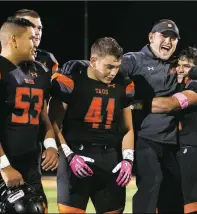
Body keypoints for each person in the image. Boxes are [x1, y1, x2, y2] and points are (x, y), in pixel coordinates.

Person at [59, 19, 184, 213]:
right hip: (142, 137)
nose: (168, 41)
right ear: (151, 37)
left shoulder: (179, 63)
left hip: (170, 140)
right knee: (152, 182)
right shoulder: (134, 60)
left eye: (173, 38)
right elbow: (106, 65)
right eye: (164, 36)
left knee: (173, 191)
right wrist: (83, 64)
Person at [49, 37, 134, 214]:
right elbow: (54, 125)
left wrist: (128, 158)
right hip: (75, 157)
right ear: (93, 61)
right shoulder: (70, 81)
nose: (113, 72)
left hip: (110, 159)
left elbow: (128, 128)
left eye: (117, 66)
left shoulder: (123, 84)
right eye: (109, 66)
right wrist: (69, 156)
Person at [0, 17, 58, 213]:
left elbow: (43, 118)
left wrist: (50, 145)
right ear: (14, 40)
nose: (36, 43)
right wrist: (4, 166)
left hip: (30, 166)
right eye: (30, 38)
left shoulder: (40, 71)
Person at [148, 46, 197, 213]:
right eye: (178, 65)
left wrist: (134, 104)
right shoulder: (178, 84)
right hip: (174, 149)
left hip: (194, 150)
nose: (179, 69)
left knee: (192, 206)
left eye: (186, 66)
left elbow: (170, 104)